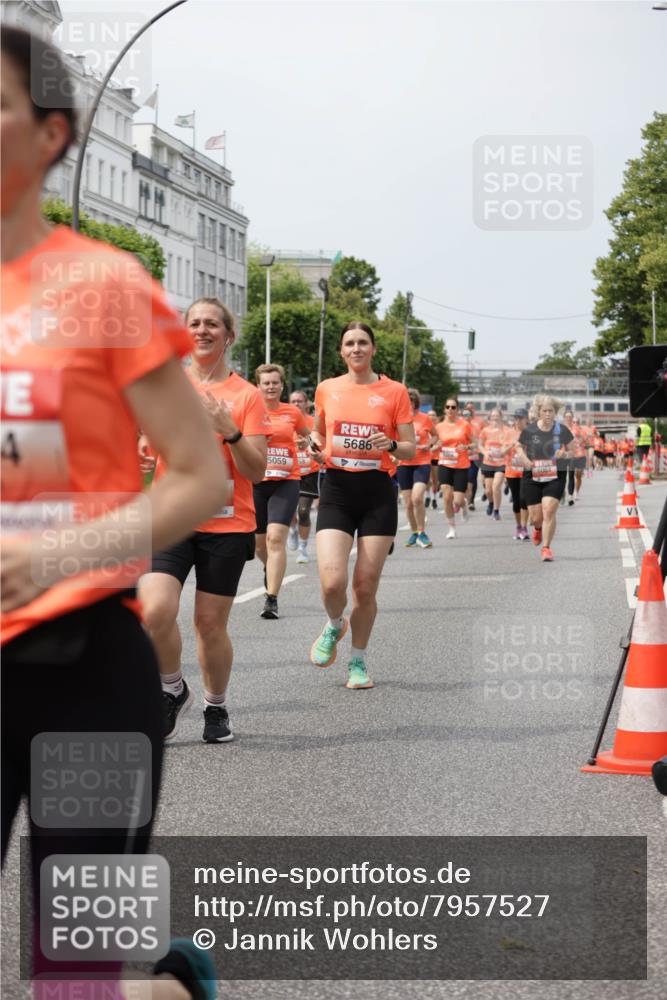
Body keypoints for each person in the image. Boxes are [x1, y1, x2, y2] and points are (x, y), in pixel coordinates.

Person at [1, 24, 223, 997]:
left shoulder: (101, 284)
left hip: (81, 667)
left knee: (72, 974)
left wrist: (57, 555)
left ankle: (165, 985)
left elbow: (198, 478)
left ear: (52, 134)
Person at [139, 298, 269, 744]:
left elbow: (256, 470)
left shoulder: (247, 395)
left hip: (227, 523)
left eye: (212, 323)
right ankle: (172, 688)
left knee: (210, 625)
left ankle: (216, 705)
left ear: (228, 335)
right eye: (193, 323)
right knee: (154, 609)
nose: (201, 330)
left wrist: (230, 430)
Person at [308, 322, 415, 689]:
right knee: (331, 582)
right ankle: (336, 624)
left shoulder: (394, 391)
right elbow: (318, 432)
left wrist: (389, 445)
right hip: (337, 489)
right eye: (349, 343)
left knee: (365, 588)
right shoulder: (327, 389)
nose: (356, 349)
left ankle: (358, 661)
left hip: (376, 492)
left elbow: (411, 448)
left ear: (373, 349)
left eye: (363, 343)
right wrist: (314, 444)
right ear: (341, 351)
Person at [253, 364, 310, 617]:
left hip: (286, 480)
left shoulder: (292, 413)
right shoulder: (250, 412)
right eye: (266, 383)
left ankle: (271, 599)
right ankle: (271, 568)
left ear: (282, 385)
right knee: (259, 545)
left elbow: (309, 436)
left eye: (275, 382)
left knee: (276, 538)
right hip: (256, 481)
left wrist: (307, 443)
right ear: (258, 386)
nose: (271, 387)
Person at [514, 394, 574, 562]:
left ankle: (546, 548)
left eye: (551, 411)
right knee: (536, 517)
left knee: (549, 510)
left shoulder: (562, 430)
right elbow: (519, 447)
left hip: (555, 474)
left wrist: (564, 453)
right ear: (539, 412)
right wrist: (525, 459)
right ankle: (538, 528)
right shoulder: (530, 430)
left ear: (555, 413)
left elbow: (572, 451)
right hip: (533, 474)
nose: (548, 414)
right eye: (545, 411)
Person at [397, 388, 436, 548]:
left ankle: (422, 532)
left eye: (411, 401)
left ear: (415, 403)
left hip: (421, 462)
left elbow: (435, 435)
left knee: (417, 497)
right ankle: (414, 532)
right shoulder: (398, 419)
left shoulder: (425, 418)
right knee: (408, 502)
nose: (409, 404)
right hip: (404, 464)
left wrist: (428, 444)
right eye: (406, 401)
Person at [289, 388, 321, 564]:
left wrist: (307, 445)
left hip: (309, 471)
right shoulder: (285, 420)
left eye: (299, 401)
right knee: (288, 511)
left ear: (306, 404)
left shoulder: (312, 422)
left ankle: (303, 548)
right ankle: (292, 528)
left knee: (303, 510)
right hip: (289, 472)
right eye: (293, 401)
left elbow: (319, 445)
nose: (296, 404)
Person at [435, 397, 472, 539]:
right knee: (446, 497)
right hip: (444, 463)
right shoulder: (438, 427)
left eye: (453, 407)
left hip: (461, 465)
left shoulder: (464, 425)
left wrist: (466, 446)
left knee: (457, 500)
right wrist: (435, 446)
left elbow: (474, 443)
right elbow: (433, 445)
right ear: (444, 409)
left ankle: (463, 505)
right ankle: (452, 528)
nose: (450, 410)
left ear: (457, 410)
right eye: (448, 407)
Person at [479, 408, 508, 520]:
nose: (495, 418)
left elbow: (509, 444)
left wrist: (504, 450)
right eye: (493, 416)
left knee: (496, 487)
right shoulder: (485, 430)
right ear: (490, 418)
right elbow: (480, 445)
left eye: (497, 415)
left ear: (501, 417)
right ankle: (491, 503)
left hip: (501, 462)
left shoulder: (506, 430)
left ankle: (496, 510)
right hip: (488, 462)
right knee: (488, 490)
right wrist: (485, 452)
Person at [504, 409, 530, 539]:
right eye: (516, 418)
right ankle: (518, 526)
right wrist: (511, 446)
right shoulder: (508, 433)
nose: (518, 420)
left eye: (521, 418)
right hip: (512, 471)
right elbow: (502, 451)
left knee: (524, 499)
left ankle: (525, 527)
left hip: (526, 471)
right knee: (516, 500)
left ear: (526, 419)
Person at [565, 412, 587, 503]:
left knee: (578, 475)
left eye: (576, 422)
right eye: (573, 422)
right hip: (571, 455)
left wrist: (579, 440)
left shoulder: (580, 429)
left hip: (580, 454)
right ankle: (570, 495)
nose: (575, 423)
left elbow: (584, 439)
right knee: (570, 474)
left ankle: (576, 492)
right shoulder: (566, 429)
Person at [425, 408, 440, 509]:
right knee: (426, 479)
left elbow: (440, 442)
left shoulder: (439, 428)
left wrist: (432, 448)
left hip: (436, 457)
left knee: (435, 479)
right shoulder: (424, 427)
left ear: (436, 417)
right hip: (425, 457)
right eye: (429, 415)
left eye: (433, 415)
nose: (431, 417)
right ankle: (427, 496)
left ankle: (434, 498)